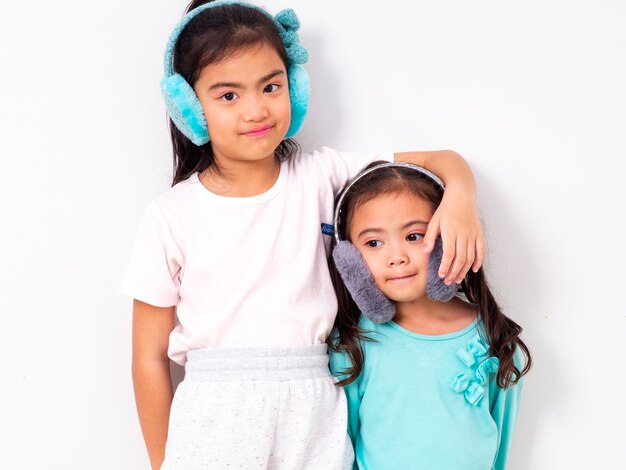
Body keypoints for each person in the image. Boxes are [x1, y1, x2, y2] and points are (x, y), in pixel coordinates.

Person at [120, 1, 484, 468]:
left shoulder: (323, 174)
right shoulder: (170, 214)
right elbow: (149, 358)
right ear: (189, 107)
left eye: (271, 86)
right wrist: (161, 462)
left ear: (294, 86)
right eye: (228, 95)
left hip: (315, 406)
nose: (256, 109)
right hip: (213, 416)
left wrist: (460, 198)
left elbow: (437, 161)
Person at [329, 161, 532, 470]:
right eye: (373, 243)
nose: (396, 257)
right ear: (351, 261)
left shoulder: (495, 338)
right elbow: (345, 447)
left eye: (414, 236)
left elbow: (500, 446)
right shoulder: (352, 344)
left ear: (446, 239)